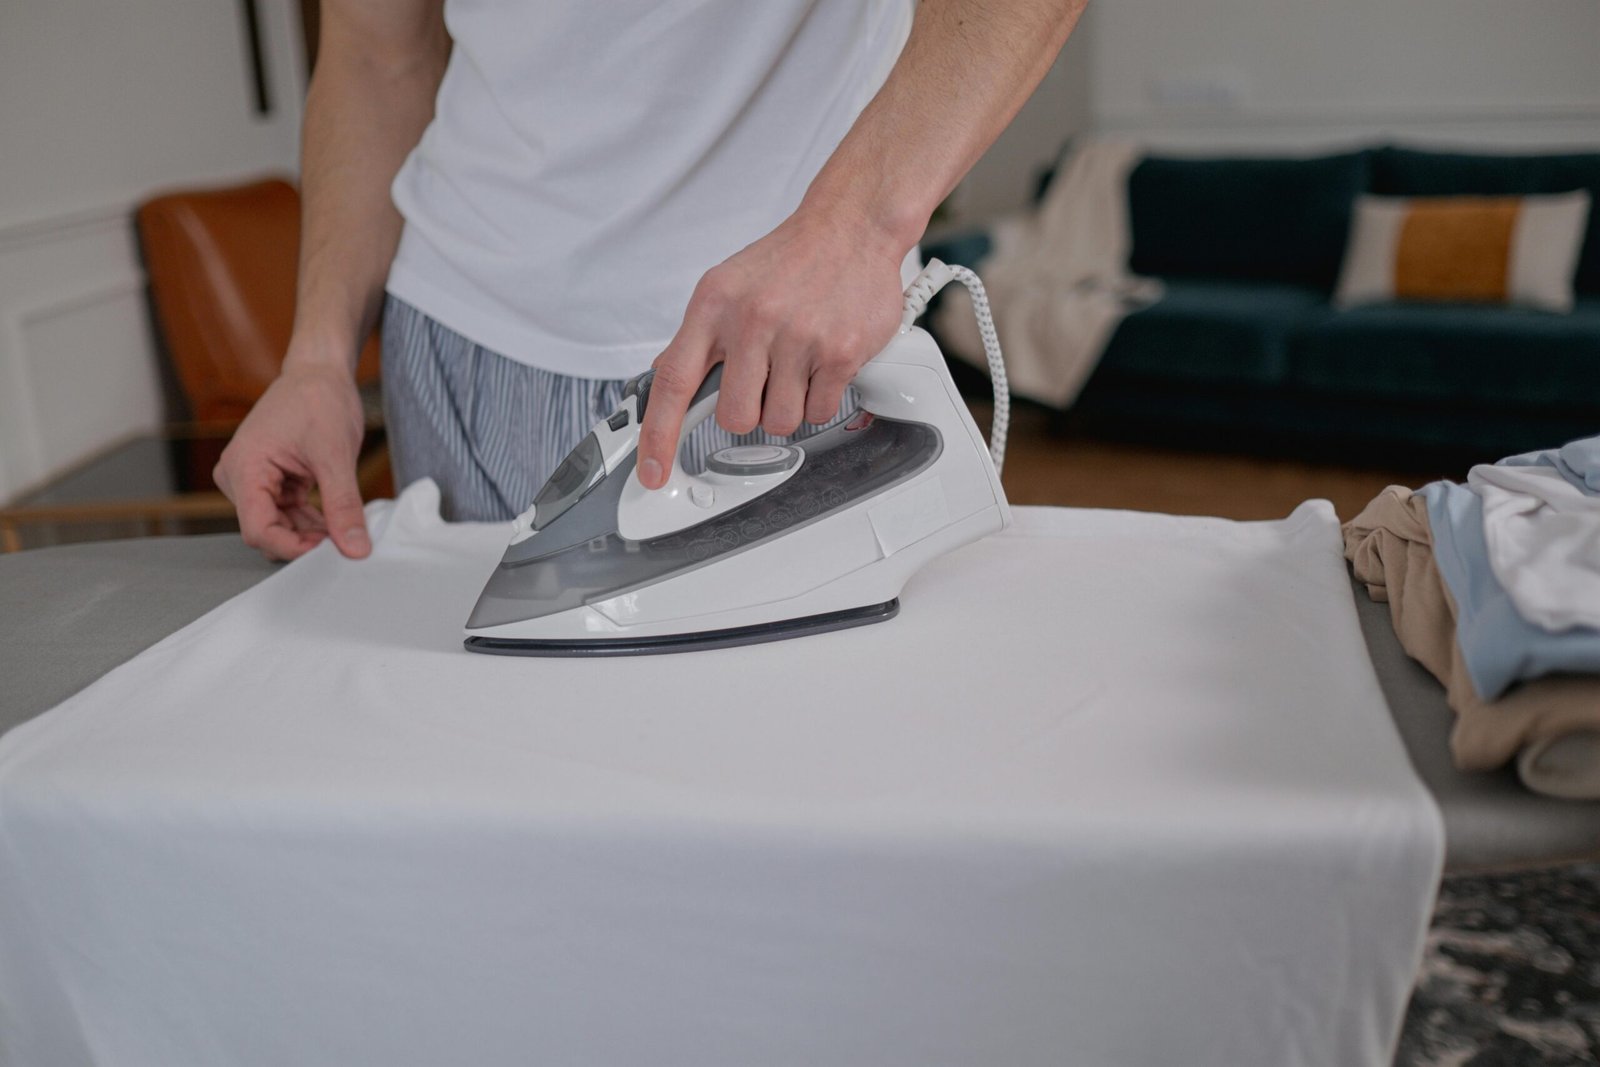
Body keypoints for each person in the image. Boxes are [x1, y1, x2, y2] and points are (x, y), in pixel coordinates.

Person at [214, 0, 1084, 561]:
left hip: (782, 347)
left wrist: (858, 228)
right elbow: (376, 51)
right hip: (456, 345)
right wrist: (320, 355)